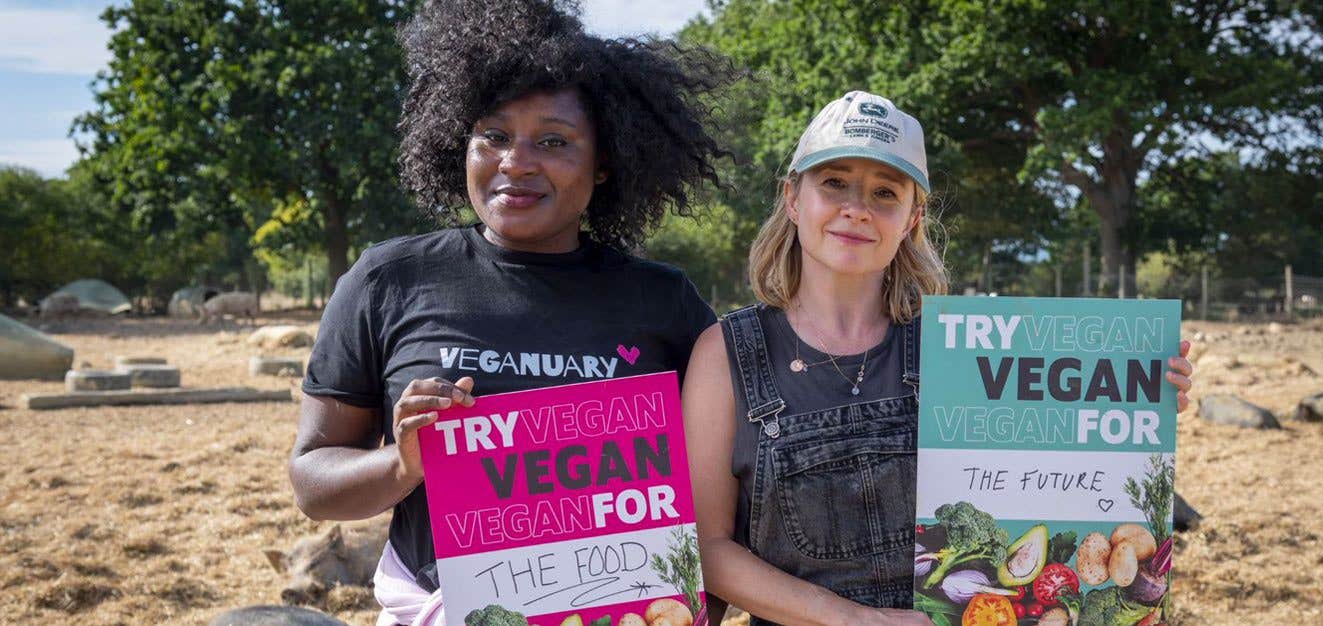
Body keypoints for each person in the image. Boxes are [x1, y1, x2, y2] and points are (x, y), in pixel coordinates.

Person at [287, 2, 738, 624]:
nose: (516, 162)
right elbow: (313, 482)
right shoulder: (387, 279)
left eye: (553, 141)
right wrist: (404, 463)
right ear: (458, 141)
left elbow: (724, 480)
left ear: (605, 162)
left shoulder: (665, 303)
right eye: (493, 136)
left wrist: (696, 602)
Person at [680, 91, 1195, 626]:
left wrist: (1141, 404)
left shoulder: (959, 348)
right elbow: (707, 548)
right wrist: (855, 620)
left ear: (912, 218)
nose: (856, 207)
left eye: (885, 192)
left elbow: (1049, 463)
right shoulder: (726, 355)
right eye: (834, 182)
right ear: (792, 197)